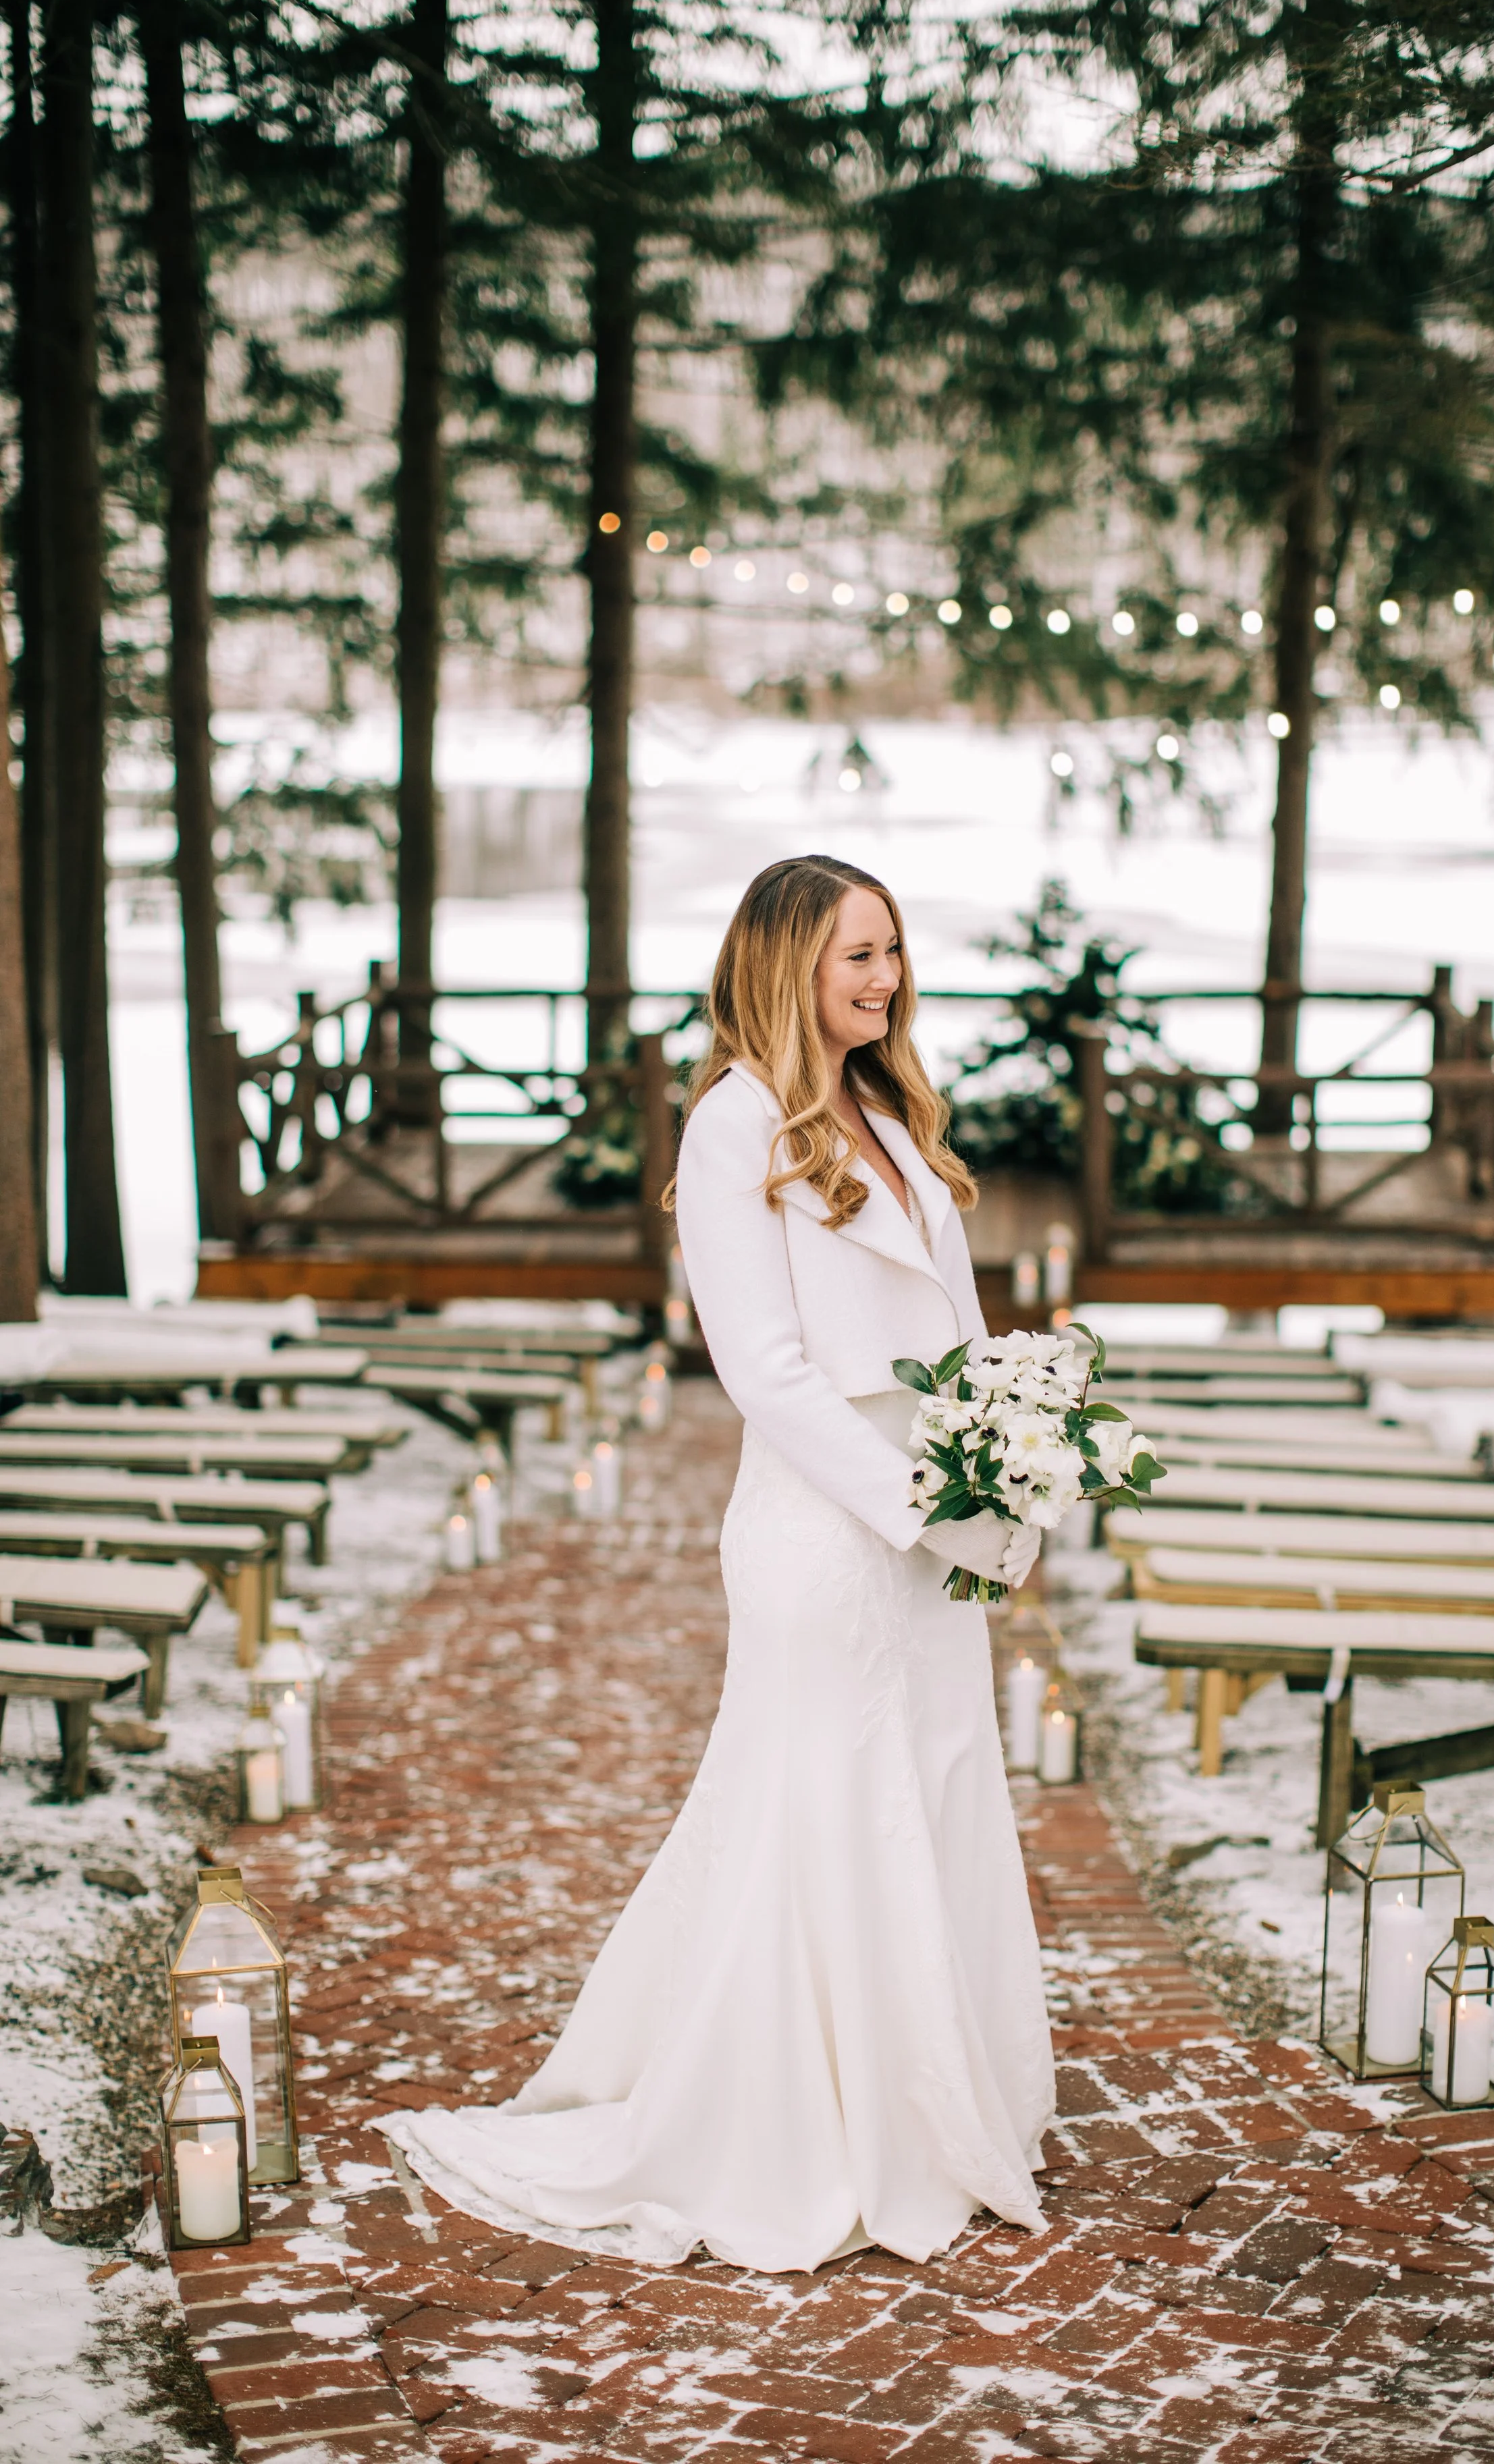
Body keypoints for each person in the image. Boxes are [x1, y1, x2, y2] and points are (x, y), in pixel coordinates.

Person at [379, 853, 1053, 2272]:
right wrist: (921, 1501)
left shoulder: (882, 1108)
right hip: (828, 1526)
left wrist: (1012, 1469)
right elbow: (767, 1375)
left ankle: (933, 2106)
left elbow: (961, 1329)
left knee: (932, 1787)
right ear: (782, 961)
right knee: (820, 1810)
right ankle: (802, 2127)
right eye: (854, 956)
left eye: (890, 952)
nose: (882, 979)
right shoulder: (732, 1125)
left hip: (934, 1517)